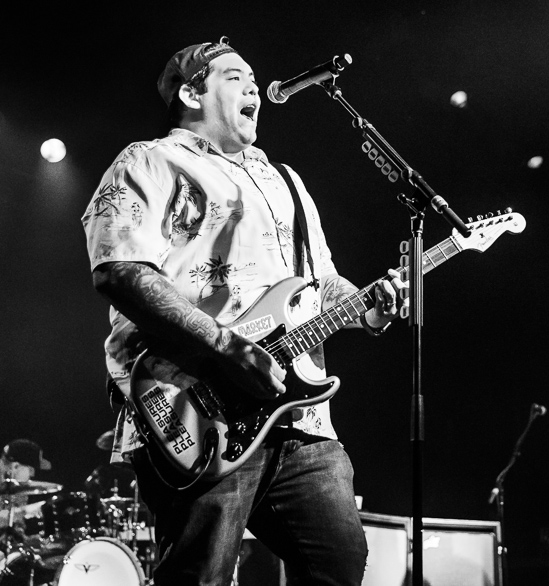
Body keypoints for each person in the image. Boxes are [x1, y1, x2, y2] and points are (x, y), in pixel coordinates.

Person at [82, 37, 408, 586]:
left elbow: (319, 284)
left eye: (254, 78)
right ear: (191, 91)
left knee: (340, 564)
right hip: (193, 406)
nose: (254, 85)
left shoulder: (287, 181)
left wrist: (366, 306)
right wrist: (226, 347)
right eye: (235, 77)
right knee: (200, 575)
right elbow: (120, 270)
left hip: (299, 416)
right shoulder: (151, 161)